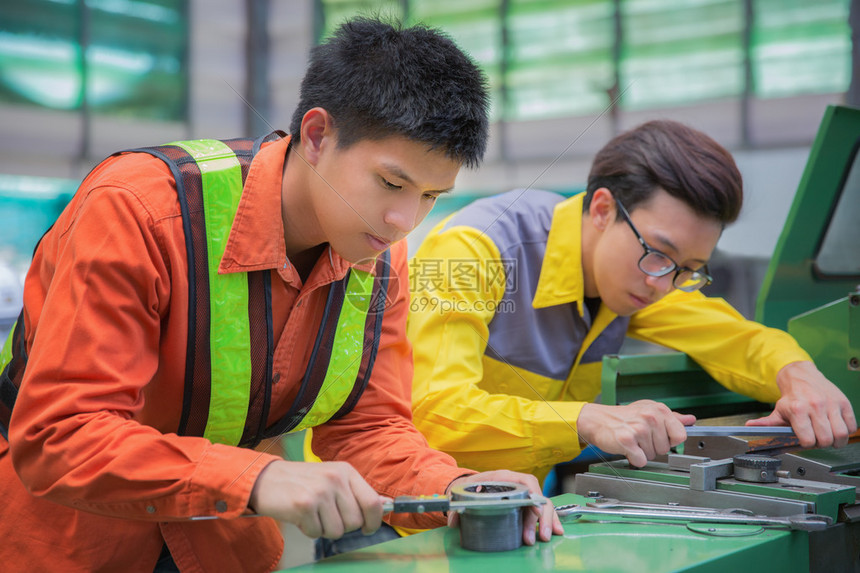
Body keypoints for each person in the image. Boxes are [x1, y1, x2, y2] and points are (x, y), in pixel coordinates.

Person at [0, 18, 561, 573]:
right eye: (391, 183)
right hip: (67, 540)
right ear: (317, 136)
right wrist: (261, 477)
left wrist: (457, 488)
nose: (402, 221)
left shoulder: (378, 255)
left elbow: (367, 428)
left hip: (223, 543)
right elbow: (60, 436)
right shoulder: (139, 210)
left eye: (431, 195)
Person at [407, 119, 857, 484]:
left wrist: (797, 376)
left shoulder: (642, 277)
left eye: (688, 268)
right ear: (602, 210)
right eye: (660, 254)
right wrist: (585, 420)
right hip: (405, 519)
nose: (663, 285)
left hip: (515, 509)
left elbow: (735, 338)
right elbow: (436, 410)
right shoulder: (474, 250)